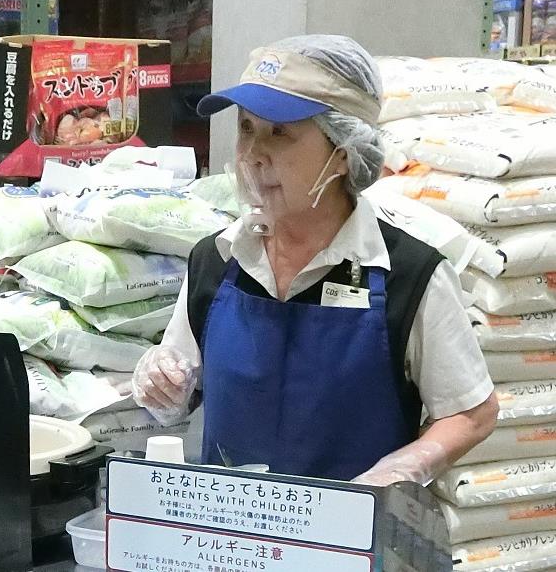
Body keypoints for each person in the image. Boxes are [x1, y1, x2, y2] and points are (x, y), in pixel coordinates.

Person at [132, 35, 498, 486]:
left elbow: (473, 413)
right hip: (231, 541)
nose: (252, 154)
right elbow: (180, 389)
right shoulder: (217, 260)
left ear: (343, 154)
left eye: (278, 133)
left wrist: (405, 468)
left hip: (351, 543)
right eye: (246, 128)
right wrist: (162, 385)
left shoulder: (409, 276)